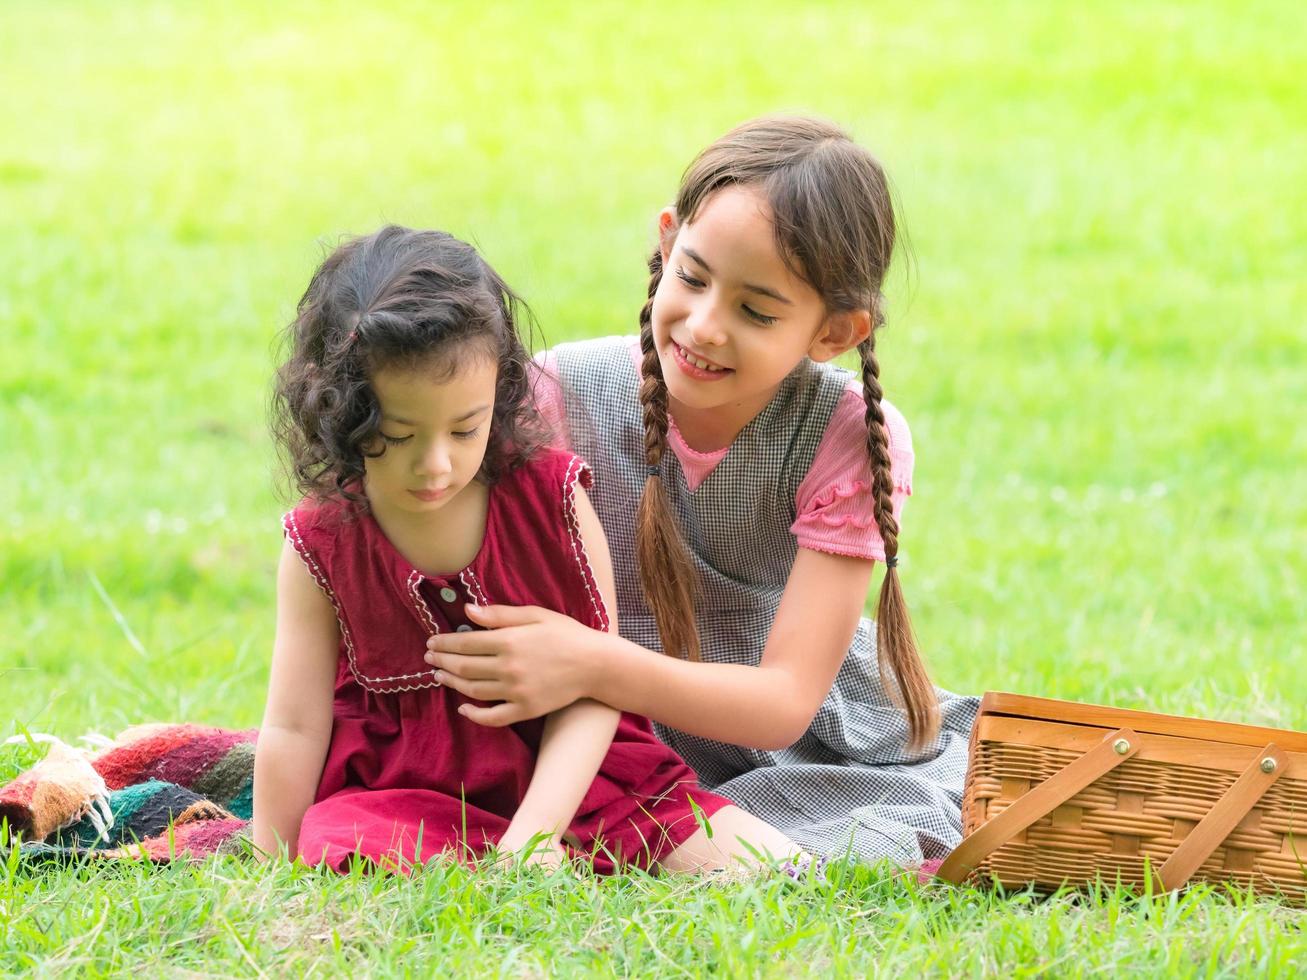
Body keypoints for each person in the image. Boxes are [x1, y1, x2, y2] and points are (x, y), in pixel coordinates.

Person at [424, 116, 981, 866]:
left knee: (851, 838)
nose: (706, 326)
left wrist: (592, 662)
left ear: (835, 332)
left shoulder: (847, 435)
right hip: (586, 724)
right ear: (665, 239)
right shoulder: (559, 393)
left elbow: (785, 703)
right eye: (691, 277)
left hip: (780, 744)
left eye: (756, 311)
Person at [252, 225, 800, 874]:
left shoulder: (552, 498)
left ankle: (549, 859)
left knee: (773, 873)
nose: (434, 465)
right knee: (344, 857)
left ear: (500, 395)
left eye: (465, 428)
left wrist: (529, 843)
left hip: (584, 780)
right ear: (337, 412)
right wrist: (268, 865)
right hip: (402, 794)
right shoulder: (323, 539)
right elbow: (293, 726)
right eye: (397, 435)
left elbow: (596, 687)